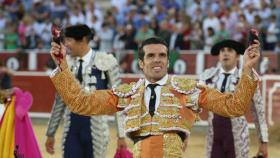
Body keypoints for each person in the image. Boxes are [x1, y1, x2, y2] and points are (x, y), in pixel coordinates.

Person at [49, 36, 261, 157]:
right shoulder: (127, 93)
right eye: (150, 55)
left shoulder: (187, 89)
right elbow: (80, 103)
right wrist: (62, 65)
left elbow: (234, 106)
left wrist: (247, 69)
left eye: (162, 55)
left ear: (168, 61)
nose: (157, 60)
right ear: (141, 63)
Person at [45, 24, 126, 158]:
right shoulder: (66, 64)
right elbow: (60, 100)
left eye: (69, 40)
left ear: (82, 40)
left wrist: (121, 135)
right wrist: (50, 132)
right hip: (72, 130)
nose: (65, 45)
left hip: (97, 131)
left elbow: (119, 100)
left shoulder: (106, 61)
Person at [199, 39, 268, 158]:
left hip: (238, 137)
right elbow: (192, 105)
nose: (225, 53)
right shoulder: (207, 76)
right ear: (219, 56)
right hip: (213, 136)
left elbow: (258, 110)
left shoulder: (246, 77)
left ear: (237, 56)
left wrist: (263, 141)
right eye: (222, 51)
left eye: (230, 50)